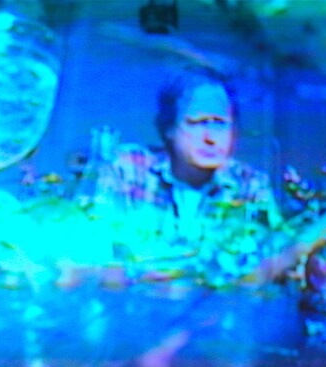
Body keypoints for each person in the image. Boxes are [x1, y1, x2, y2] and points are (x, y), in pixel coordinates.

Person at [90, 62, 284, 287]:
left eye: (220, 124)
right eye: (197, 123)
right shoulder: (128, 169)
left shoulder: (250, 185)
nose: (210, 138)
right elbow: (93, 256)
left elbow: (270, 267)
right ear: (168, 128)